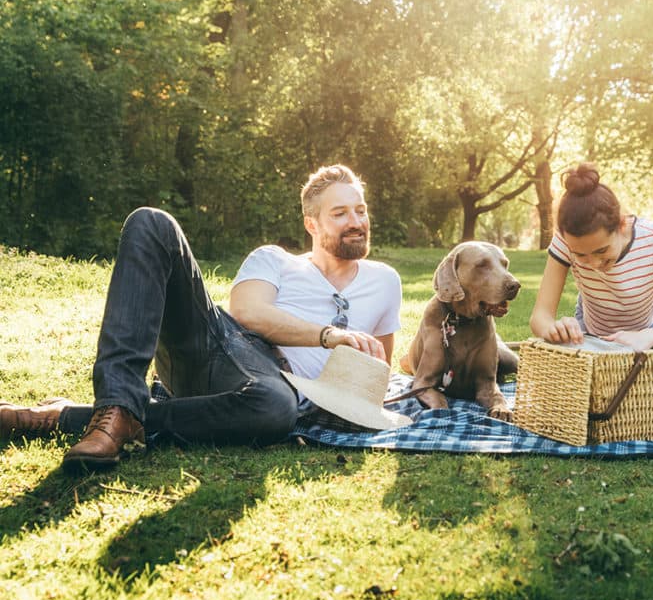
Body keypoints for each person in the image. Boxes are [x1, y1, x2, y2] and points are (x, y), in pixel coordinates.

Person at [0, 164, 401, 472]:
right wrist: (329, 336)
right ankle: (116, 401)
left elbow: (376, 371)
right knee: (152, 223)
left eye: (361, 210)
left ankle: (88, 417)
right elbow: (248, 312)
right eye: (340, 213)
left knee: (277, 409)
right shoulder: (274, 259)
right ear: (312, 224)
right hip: (226, 353)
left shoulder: (386, 281)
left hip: (271, 401)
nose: (356, 221)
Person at [529, 163, 653, 351]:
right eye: (580, 254)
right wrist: (554, 330)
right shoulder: (564, 240)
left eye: (601, 251)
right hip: (592, 329)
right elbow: (540, 317)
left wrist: (647, 337)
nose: (594, 264)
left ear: (621, 225)